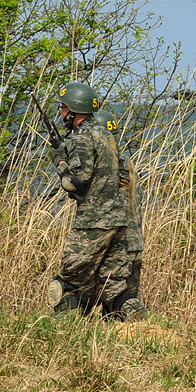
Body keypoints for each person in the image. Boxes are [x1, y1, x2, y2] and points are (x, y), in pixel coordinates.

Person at [45, 82, 132, 316]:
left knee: (68, 281)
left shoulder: (82, 136)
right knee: (114, 285)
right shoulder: (106, 134)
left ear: (74, 109)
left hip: (92, 221)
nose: (61, 113)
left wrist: (60, 161)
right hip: (117, 219)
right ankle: (139, 323)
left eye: (63, 107)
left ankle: (63, 330)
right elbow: (122, 175)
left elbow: (74, 182)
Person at [93, 109, 146, 320]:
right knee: (118, 314)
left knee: (111, 303)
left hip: (117, 246)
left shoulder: (107, 166)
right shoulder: (126, 162)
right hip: (135, 245)